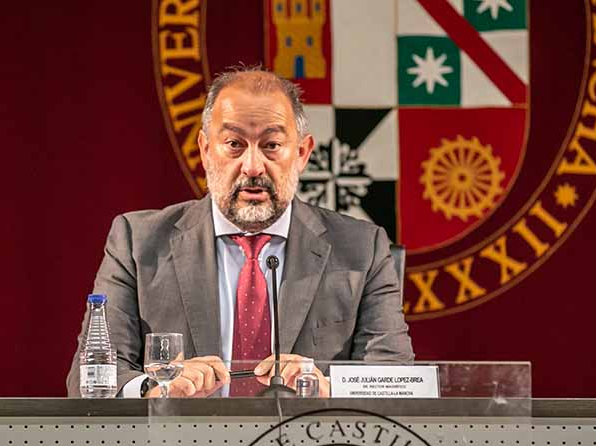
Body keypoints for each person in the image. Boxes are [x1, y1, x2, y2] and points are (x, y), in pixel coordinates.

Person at [66, 67, 413, 398]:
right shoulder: (138, 243)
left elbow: (397, 380)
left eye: (271, 145)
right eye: (234, 144)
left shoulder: (362, 249)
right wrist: (157, 389)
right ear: (205, 150)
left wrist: (328, 390)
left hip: (313, 440)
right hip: (182, 440)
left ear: (302, 153)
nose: (252, 167)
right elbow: (89, 378)